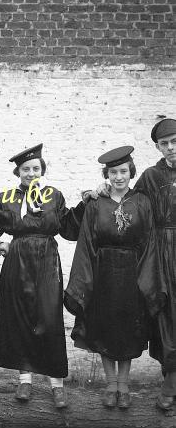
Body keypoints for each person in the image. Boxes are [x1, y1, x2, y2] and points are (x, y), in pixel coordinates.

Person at [0, 143, 86, 409]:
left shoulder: (54, 195)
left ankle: (57, 385)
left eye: (36, 168)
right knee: (20, 318)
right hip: (17, 258)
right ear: (18, 172)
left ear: (42, 170)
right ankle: (25, 380)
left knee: (49, 318)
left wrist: (85, 205)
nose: (31, 173)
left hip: (46, 258)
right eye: (26, 169)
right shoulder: (7, 197)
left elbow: (67, 226)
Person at [65, 146, 166, 409]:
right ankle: (111, 385)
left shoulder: (142, 201)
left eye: (123, 171)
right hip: (103, 275)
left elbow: (149, 241)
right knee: (105, 329)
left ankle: (124, 385)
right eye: (113, 172)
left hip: (132, 274)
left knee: (127, 330)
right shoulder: (96, 203)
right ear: (106, 174)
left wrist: (147, 280)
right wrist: (84, 281)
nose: (119, 177)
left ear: (131, 172)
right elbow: (86, 240)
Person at [133, 117, 176, 410]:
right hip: (162, 252)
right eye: (165, 144)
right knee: (165, 313)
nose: (171, 148)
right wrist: (96, 192)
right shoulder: (150, 176)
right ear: (158, 147)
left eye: (175, 142)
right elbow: (128, 204)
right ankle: (170, 382)